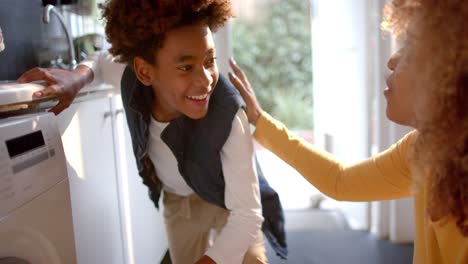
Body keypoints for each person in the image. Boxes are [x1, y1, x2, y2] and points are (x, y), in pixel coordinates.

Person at [18, 0, 288, 263]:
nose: (206, 80)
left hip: (230, 201)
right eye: (186, 67)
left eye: (209, 60)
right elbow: (100, 61)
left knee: (251, 259)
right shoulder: (131, 78)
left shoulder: (229, 115)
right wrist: (78, 77)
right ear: (145, 73)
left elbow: (248, 214)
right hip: (180, 204)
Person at [227, 0, 467, 263]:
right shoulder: (420, 149)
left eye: (410, 47)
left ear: (450, 71)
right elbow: (341, 181)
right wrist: (260, 120)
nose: (392, 60)